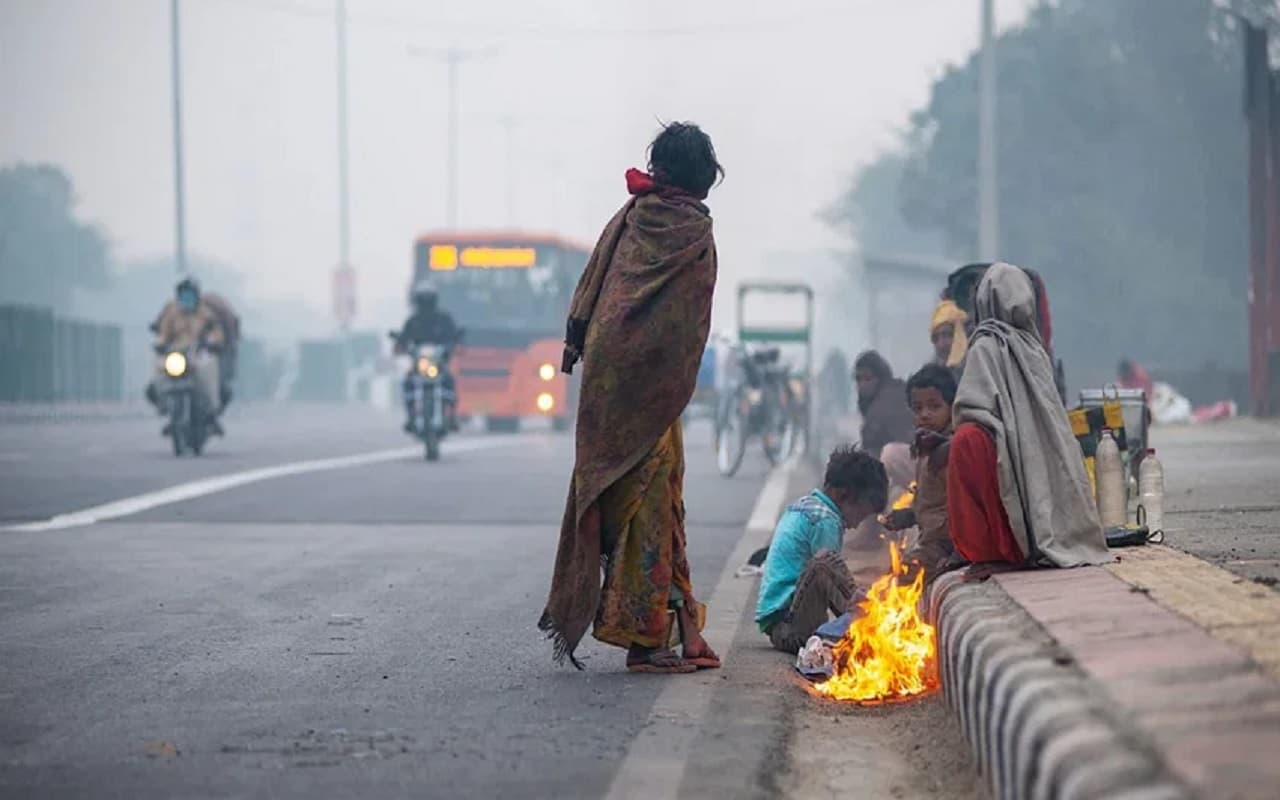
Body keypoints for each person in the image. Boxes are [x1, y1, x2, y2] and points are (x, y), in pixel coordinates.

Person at [538, 122, 724, 674]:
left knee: (648, 496)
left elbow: (596, 294)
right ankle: (647, 643)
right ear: (703, 176)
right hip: (651, 388)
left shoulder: (630, 219)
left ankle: (686, 628)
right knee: (651, 503)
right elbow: (686, 325)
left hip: (606, 381)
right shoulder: (694, 233)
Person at [948, 263, 1110, 567]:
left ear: (985, 299)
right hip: (1033, 463)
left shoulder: (984, 345)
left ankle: (987, 548)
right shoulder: (1036, 350)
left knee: (966, 441)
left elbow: (971, 409)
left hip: (1000, 460)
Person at [755, 446, 888, 654]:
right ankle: (868, 628)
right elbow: (828, 574)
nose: (856, 525)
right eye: (861, 514)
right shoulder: (826, 520)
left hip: (780, 625)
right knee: (825, 563)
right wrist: (858, 608)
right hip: (791, 629)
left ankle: (862, 622)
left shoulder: (808, 505)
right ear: (843, 496)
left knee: (834, 571)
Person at [882, 364, 964, 581]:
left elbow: (964, 506)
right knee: (893, 576)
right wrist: (909, 515)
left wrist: (959, 553)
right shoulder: (925, 447)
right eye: (917, 409)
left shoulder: (952, 450)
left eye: (934, 407)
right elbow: (931, 502)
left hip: (948, 547)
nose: (925, 415)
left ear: (952, 407)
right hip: (932, 540)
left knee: (898, 580)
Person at [395, 281, 462, 432]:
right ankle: (411, 416)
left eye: (428, 299)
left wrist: (453, 345)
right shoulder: (413, 321)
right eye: (423, 300)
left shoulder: (443, 319)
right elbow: (403, 339)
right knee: (408, 383)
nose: (426, 303)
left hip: (439, 363)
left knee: (449, 382)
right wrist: (401, 346)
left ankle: (451, 416)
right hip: (419, 364)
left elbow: (454, 336)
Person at [853, 350, 914, 457]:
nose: (862, 384)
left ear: (881, 377)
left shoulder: (888, 403)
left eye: (867, 378)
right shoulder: (876, 401)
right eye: (858, 379)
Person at [930, 297, 968, 370]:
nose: (941, 344)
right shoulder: (931, 374)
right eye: (936, 338)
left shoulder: (975, 367)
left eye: (946, 335)